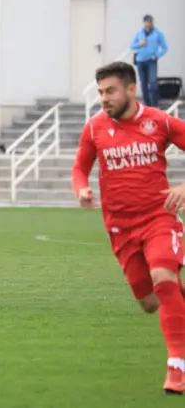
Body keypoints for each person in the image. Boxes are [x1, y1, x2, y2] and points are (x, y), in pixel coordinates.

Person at [72, 61, 185, 394]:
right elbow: (79, 168)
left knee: (163, 278)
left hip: (159, 217)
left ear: (131, 89)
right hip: (120, 228)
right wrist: (81, 189)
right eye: (100, 92)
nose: (103, 98)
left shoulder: (159, 122)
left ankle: (177, 369)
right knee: (150, 303)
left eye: (110, 91)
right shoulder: (94, 128)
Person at [130, 14, 168, 107]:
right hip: (140, 61)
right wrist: (140, 43)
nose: (149, 23)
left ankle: (155, 104)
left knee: (153, 82)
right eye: (147, 21)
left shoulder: (158, 33)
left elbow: (164, 48)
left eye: (150, 21)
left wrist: (157, 55)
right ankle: (147, 105)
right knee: (143, 84)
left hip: (151, 60)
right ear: (144, 22)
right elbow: (132, 46)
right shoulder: (139, 33)